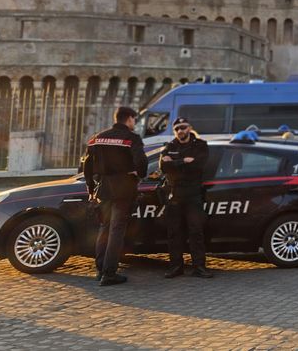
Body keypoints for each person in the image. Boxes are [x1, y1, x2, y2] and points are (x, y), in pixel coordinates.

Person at [82, 106, 147, 286]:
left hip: (104, 189)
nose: (134, 123)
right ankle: (109, 273)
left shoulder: (97, 138)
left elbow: (86, 165)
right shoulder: (131, 138)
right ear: (129, 119)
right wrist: (139, 173)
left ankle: (100, 269)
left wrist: (90, 188)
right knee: (116, 231)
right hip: (124, 189)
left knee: (104, 229)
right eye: (134, 119)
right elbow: (141, 162)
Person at [158, 117, 212, 279]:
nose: (180, 131)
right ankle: (176, 267)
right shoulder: (170, 146)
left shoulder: (200, 145)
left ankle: (199, 267)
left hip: (194, 193)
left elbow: (199, 165)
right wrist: (183, 161)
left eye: (183, 127)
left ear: (190, 128)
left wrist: (174, 162)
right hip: (175, 194)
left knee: (196, 231)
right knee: (174, 233)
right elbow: (163, 166)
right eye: (177, 129)